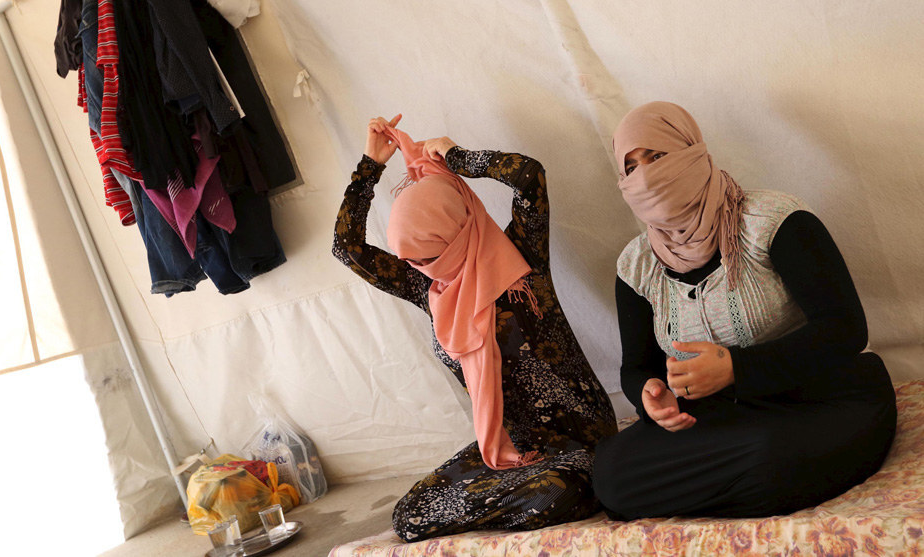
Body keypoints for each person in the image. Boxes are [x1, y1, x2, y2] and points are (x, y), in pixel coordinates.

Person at [592, 101, 897, 520]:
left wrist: (737, 367)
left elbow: (846, 330)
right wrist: (649, 394)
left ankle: (741, 485)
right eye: (631, 168)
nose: (645, 175)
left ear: (692, 152)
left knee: (772, 457)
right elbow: (636, 366)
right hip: (724, 418)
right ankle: (757, 487)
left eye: (657, 156)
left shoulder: (775, 222)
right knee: (611, 474)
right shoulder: (636, 266)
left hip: (821, 398)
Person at [333, 114, 617, 541]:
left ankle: (531, 496)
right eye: (414, 260)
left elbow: (529, 176)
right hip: (511, 445)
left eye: (430, 256)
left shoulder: (523, 258)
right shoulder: (429, 288)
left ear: (458, 229)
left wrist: (456, 156)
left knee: (556, 493)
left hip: (581, 439)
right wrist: (369, 166)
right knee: (409, 516)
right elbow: (346, 247)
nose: (423, 269)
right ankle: (514, 496)